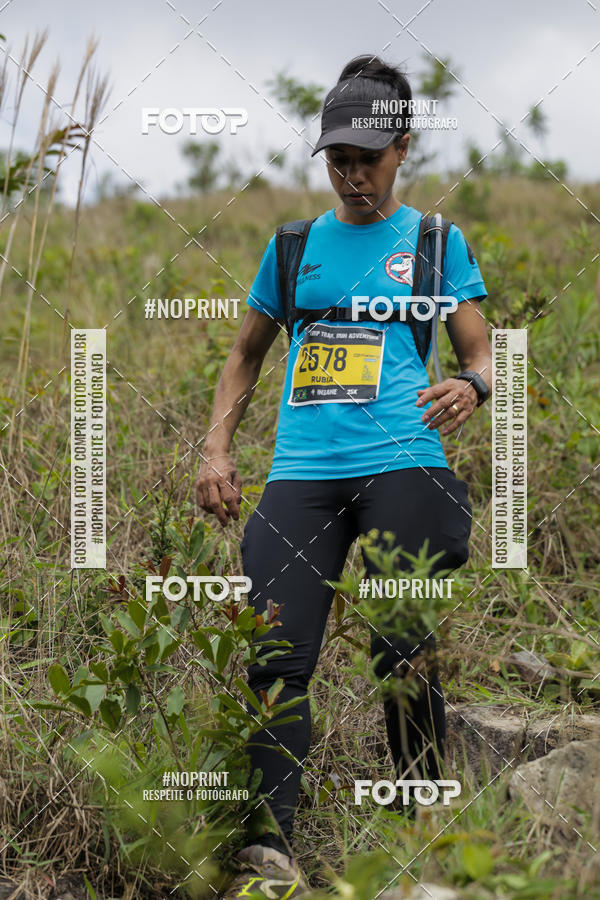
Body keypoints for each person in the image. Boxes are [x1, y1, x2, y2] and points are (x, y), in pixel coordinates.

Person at [196, 54, 492, 899]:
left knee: (402, 645)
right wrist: (217, 450)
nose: (352, 174)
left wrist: (469, 386)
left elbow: (481, 355)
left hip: (405, 460)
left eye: (367, 157)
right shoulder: (294, 250)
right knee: (276, 656)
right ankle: (269, 847)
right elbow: (244, 356)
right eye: (337, 159)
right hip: (302, 474)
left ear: (404, 148)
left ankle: (418, 829)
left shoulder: (436, 243)